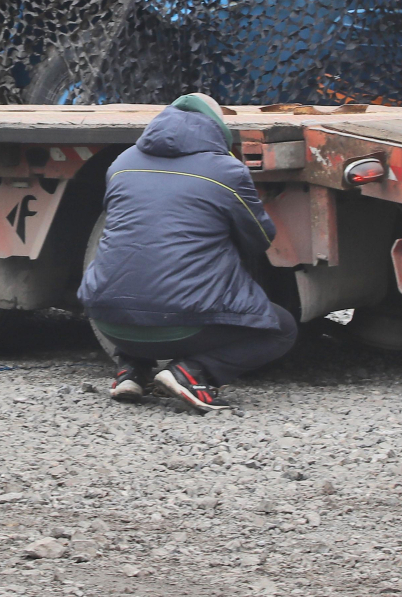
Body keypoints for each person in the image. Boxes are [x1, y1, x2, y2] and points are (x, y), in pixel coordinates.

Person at [79, 93, 296, 411]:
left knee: (136, 271)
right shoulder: (227, 171)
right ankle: (191, 374)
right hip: (183, 324)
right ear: (216, 130)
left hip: (109, 321)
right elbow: (261, 238)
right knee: (283, 328)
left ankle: (131, 370)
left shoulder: (121, 164)